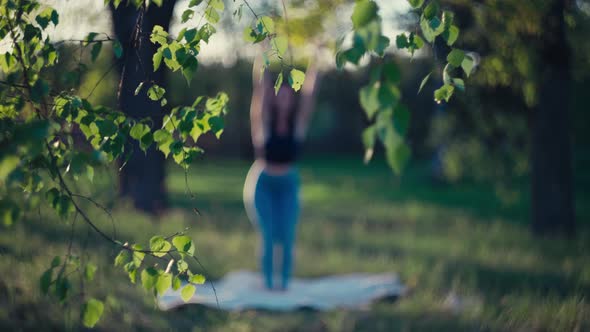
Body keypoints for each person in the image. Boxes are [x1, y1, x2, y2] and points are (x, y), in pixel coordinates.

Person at [243, 54, 320, 291]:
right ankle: (267, 286)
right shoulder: (263, 123)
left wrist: (317, 58)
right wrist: (263, 54)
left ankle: (284, 285)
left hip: (288, 184)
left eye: (288, 94)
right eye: (280, 94)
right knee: (268, 236)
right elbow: (261, 88)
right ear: (275, 99)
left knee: (286, 237)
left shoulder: (298, 124)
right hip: (263, 184)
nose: (284, 97)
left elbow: (309, 95)